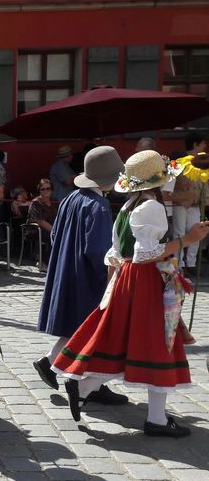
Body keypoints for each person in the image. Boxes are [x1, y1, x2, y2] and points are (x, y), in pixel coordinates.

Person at [53, 150, 209, 437]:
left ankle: (86, 387)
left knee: (125, 340)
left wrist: (112, 289)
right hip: (143, 280)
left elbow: (115, 254)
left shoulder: (128, 207)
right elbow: (145, 254)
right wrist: (188, 239)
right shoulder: (151, 207)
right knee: (160, 343)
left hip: (127, 278)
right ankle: (156, 419)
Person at [35, 146, 129, 407]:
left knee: (78, 326)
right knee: (90, 328)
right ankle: (88, 381)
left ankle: (53, 363)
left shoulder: (71, 198)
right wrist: (113, 276)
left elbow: (55, 236)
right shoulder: (97, 205)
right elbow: (99, 250)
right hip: (87, 276)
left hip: (67, 269)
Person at [171, 132, 207, 270]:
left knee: (198, 232)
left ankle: (191, 263)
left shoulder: (203, 161)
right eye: (203, 143)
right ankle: (179, 264)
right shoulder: (181, 160)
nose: (205, 146)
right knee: (179, 233)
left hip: (195, 204)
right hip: (179, 203)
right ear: (195, 144)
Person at [27, 178, 58, 269]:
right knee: (54, 236)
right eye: (43, 189)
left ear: (51, 190)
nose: (46, 191)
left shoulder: (54, 201)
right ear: (39, 190)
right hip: (37, 230)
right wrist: (55, 230)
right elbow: (40, 221)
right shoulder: (36, 202)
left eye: (48, 188)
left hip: (53, 227)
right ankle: (45, 262)